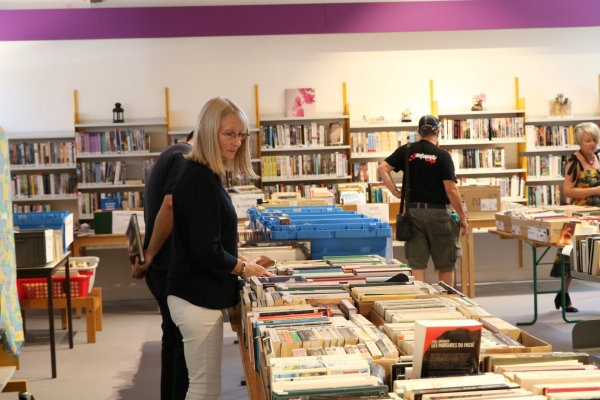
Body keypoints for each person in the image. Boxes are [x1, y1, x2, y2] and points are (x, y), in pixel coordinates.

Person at [166, 97, 275, 400]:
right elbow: (204, 249)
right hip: (196, 299)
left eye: (241, 134)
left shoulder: (205, 173)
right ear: (209, 131)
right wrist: (243, 268)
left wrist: (238, 257)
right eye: (229, 133)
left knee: (204, 384)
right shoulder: (199, 177)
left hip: (197, 295)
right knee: (204, 388)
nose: (237, 142)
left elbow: (205, 237)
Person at [131, 130, 194, 400]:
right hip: (169, 267)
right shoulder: (185, 156)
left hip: (163, 268)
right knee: (182, 343)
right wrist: (151, 254)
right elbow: (168, 207)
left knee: (172, 338)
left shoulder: (172, 153)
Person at [377, 115, 468, 286]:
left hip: (413, 215)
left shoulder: (407, 150)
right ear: (438, 132)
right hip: (439, 214)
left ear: (418, 132)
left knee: (417, 265)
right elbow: (451, 189)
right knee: (445, 264)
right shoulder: (442, 155)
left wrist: (396, 192)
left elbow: (382, 168)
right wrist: (462, 216)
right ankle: (447, 304)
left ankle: (423, 304)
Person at [550, 122, 600, 312]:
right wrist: (595, 190)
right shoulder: (574, 162)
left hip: (598, 215)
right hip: (578, 216)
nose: (592, 144)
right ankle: (564, 294)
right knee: (569, 256)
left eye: (594, 139)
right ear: (580, 141)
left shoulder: (598, 157)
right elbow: (568, 191)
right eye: (588, 140)